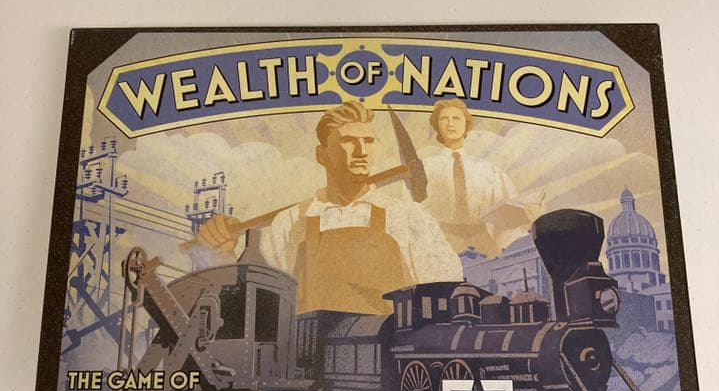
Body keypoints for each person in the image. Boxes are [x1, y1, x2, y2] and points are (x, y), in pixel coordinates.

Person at [193, 101, 463, 314]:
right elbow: (255, 306)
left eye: (368, 141)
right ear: (321, 154)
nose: (361, 151)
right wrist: (222, 256)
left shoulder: (408, 218)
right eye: (348, 141)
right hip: (308, 360)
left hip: (388, 355)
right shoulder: (289, 223)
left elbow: (445, 294)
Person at [422, 98, 531, 255]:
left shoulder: (488, 171)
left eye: (456, 118)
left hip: (483, 242)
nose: (450, 124)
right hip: (440, 242)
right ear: (437, 125)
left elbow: (507, 220)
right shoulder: (425, 169)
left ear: (466, 124)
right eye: (444, 119)